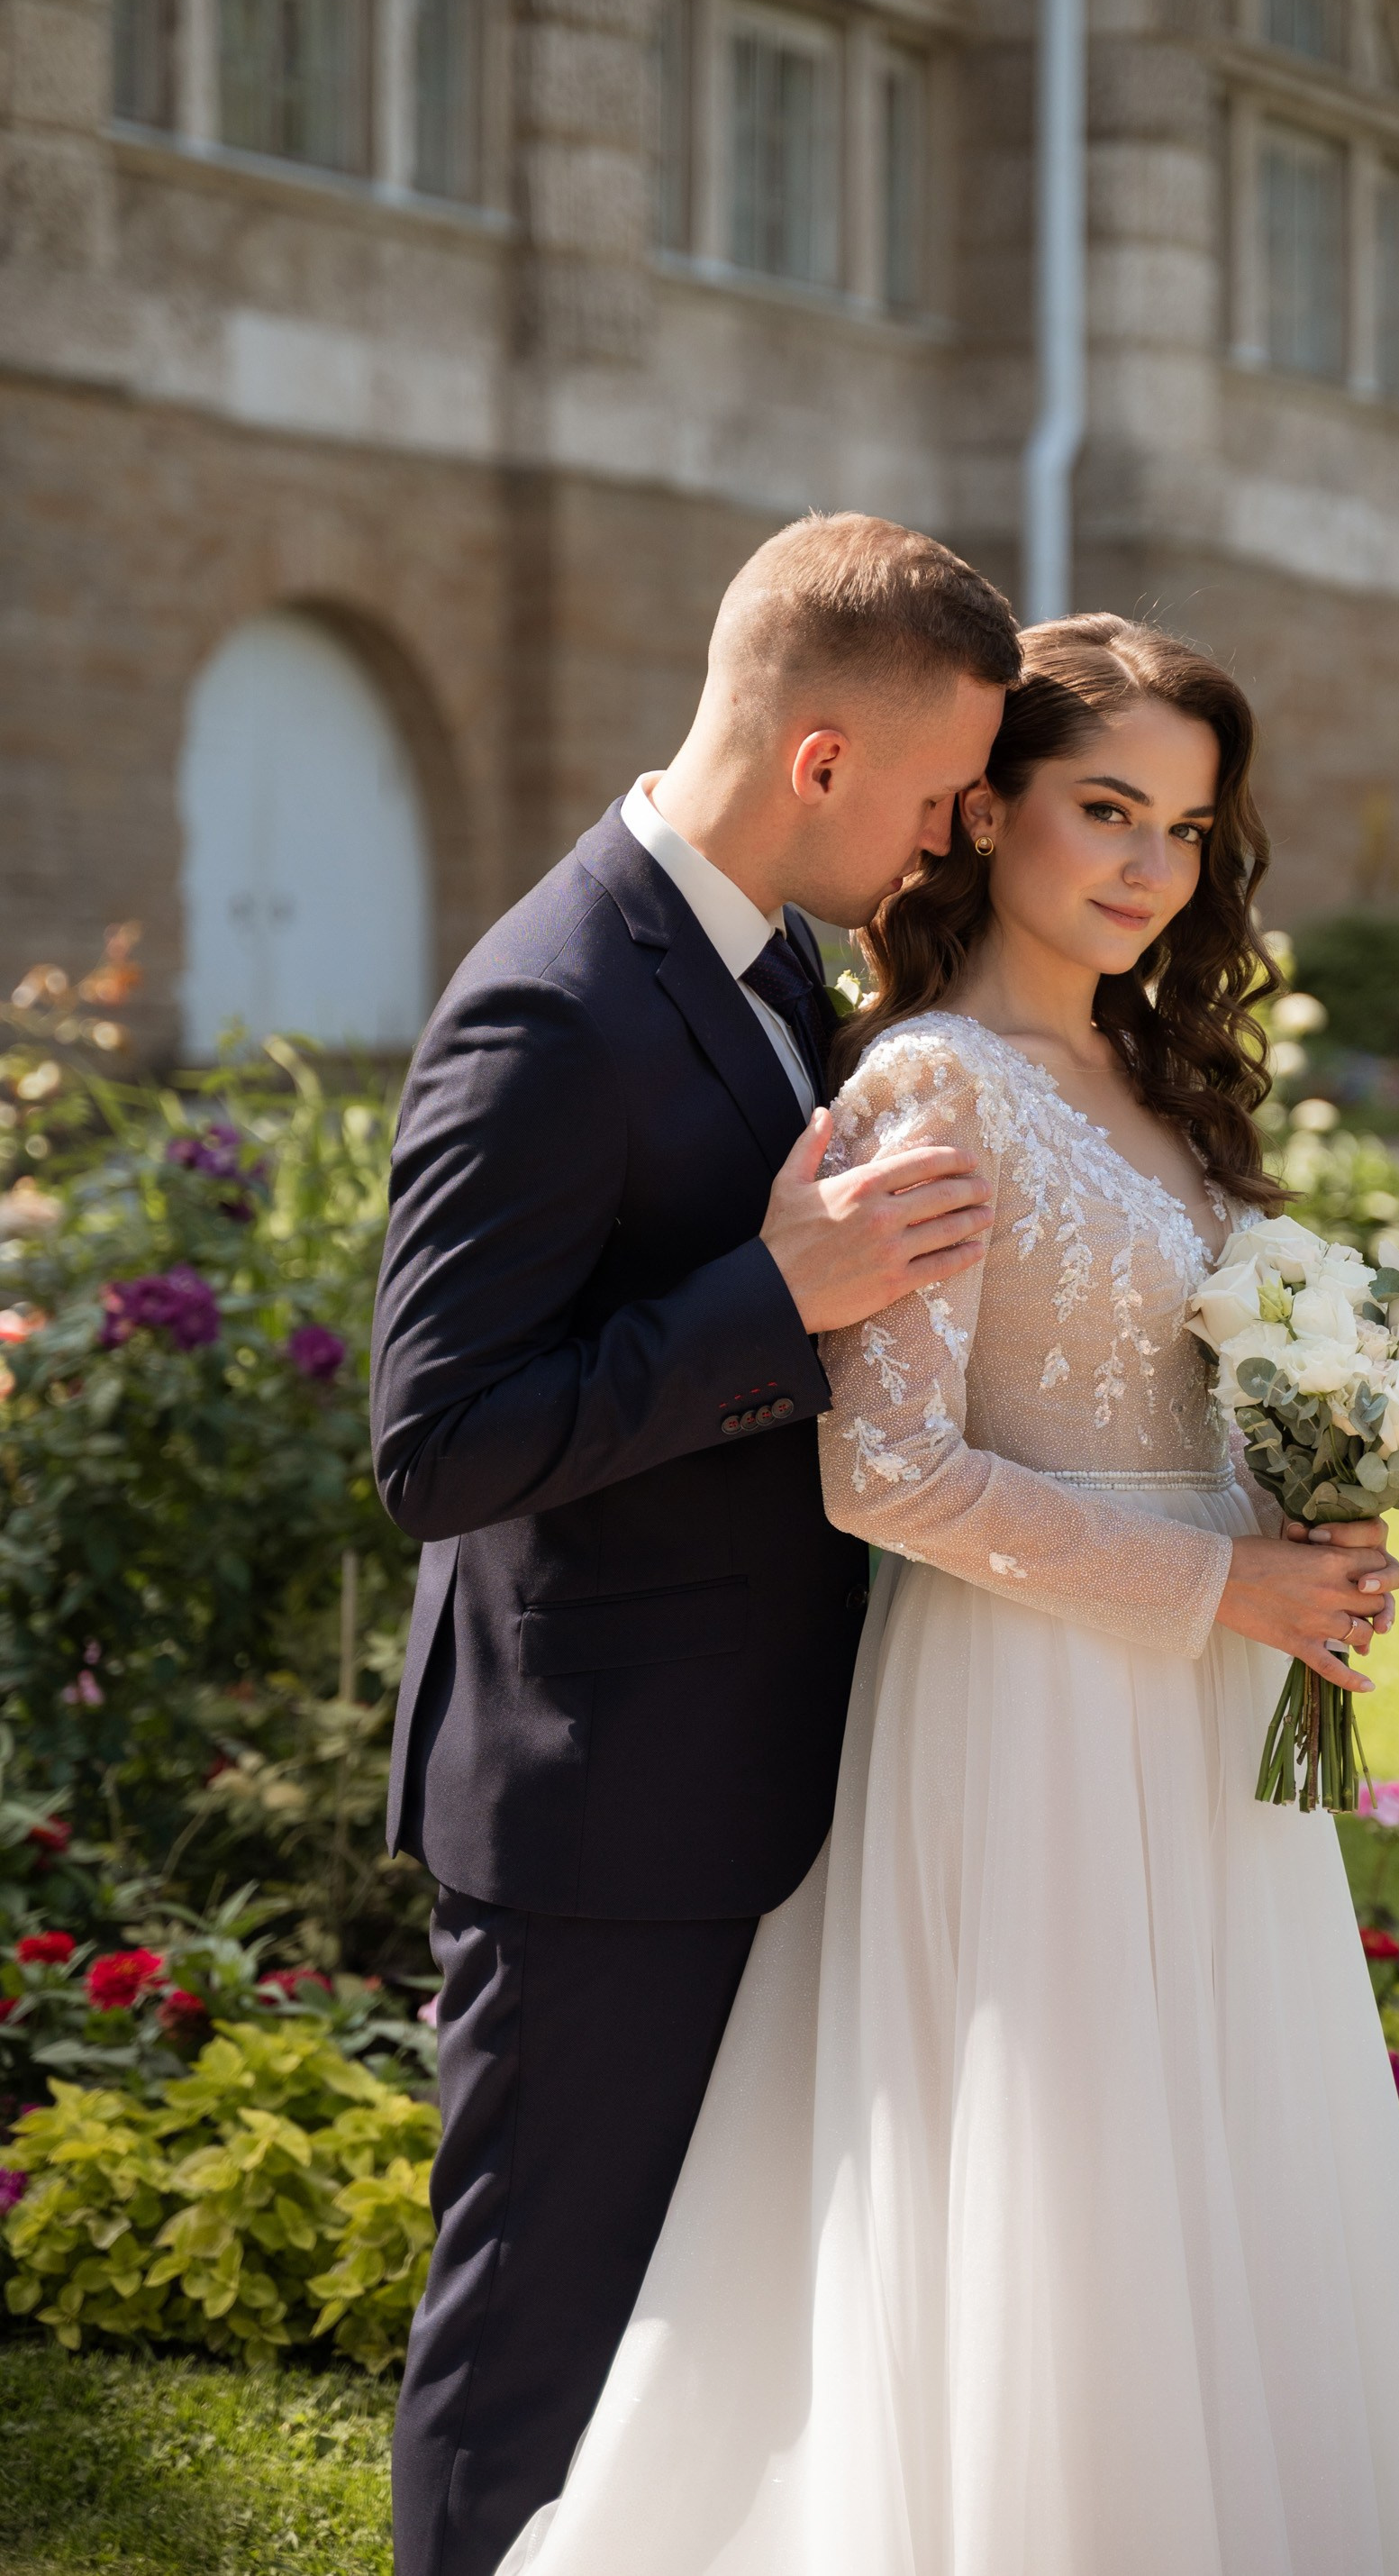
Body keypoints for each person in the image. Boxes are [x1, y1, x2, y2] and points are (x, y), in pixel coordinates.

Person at [488, 615, 1399, 2576]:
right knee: (1067, 2202)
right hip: (1032, 1710)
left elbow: (1187, 1381)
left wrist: (1324, 1498)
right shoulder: (928, 1091)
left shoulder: (1156, 1074)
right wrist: (1220, 1574)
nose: (1145, 863)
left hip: (1205, 1711)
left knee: (1219, 2178)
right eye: (1103, 806)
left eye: (1187, 828)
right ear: (991, 814)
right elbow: (881, 1468)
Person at [371, 511, 1022, 2576]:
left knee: (692, 2344)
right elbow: (439, 1441)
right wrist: (774, 1297)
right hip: (594, 1810)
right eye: (933, 797)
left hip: (745, 1776)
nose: (947, 841)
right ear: (820, 761)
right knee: (541, 2345)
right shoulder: (546, 1006)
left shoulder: (770, 957)